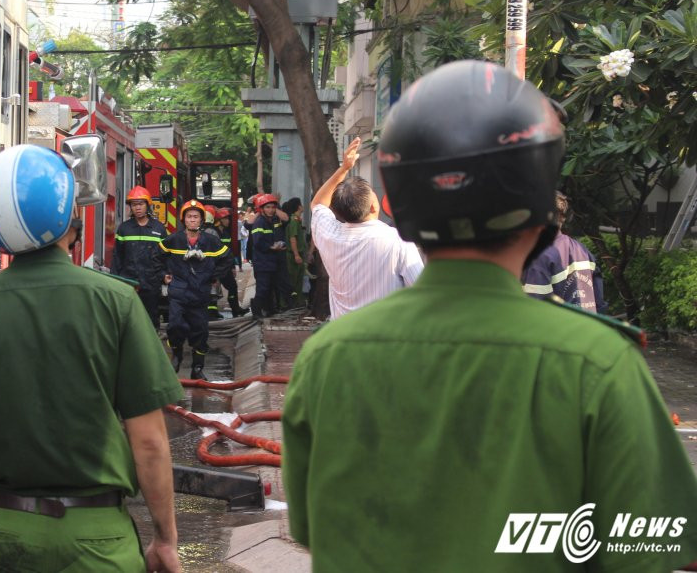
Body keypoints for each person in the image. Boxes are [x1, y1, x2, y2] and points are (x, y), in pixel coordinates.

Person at [282, 60, 697, 572]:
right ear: (543, 207)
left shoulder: (327, 359)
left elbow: (308, 525)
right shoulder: (598, 363)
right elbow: (650, 547)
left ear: (398, 204)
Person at [0, 145, 183, 573]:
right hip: (99, 538)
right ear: (67, 220)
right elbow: (149, 439)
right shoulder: (116, 302)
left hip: (1, 533)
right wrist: (165, 539)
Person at [309, 137, 424, 319]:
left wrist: (343, 168)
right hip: (385, 339)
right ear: (373, 206)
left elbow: (318, 204)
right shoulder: (398, 240)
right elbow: (420, 291)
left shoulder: (330, 234)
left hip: (341, 337)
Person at [157, 199, 232, 380]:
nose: (192, 220)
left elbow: (227, 259)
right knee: (175, 326)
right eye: (189, 217)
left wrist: (213, 275)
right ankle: (177, 355)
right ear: (184, 220)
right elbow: (156, 258)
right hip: (179, 292)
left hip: (200, 293)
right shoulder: (173, 240)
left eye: (196, 217)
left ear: (201, 220)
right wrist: (163, 274)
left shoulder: (211, 242)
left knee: (200, 331)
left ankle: (197, 368)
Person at [523, 191, 606, 313]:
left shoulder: (539, 256)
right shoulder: (581, 249)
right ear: (563, 217)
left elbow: (533, 309)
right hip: (589, 327)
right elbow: (599, 302)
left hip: (557, 330)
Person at [111, 185, 168, 328]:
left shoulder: (159, 228)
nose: (137, 208)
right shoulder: (124, 229)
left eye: (141, 204)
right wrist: (115, 279)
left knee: (151, 318)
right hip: (128, 282)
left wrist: (165, 275)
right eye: (134, 204)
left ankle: (151, 346)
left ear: (148, 205)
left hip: (151, 282)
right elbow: (117, 256)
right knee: (128, 318)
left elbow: (165, 256)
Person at [249, 194, 292, 319]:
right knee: (262, 288)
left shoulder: (270, 221)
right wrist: (271, 247)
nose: (271, 210)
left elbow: (285, 219)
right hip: (263, 262)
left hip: (271, 262)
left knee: (270, 288)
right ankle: (256, 312)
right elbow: (257, 242)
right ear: (261, 209)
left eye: (273, 207)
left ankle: (269, 310)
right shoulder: (259, 222)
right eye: (268, 207)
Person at [208, 207, 249, 318]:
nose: (228, 221)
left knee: (232, 286)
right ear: (219, 220)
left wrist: (232, 267)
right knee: (213, 289)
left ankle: (236, 309)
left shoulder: (226, 233)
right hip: (215, 266)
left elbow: (228, 252)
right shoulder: (212, 232)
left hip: (225, 266)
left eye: (228, 219)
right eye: (225, 219)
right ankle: (212, 312)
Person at [281, 198, 307, 307]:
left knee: (298, 281)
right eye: (301, 204)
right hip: (293, 255)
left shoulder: (297, 220)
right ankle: (285, 304)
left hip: (298, 254)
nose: (302, 206)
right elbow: (293, 239)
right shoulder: (293, 221)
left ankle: (298, 302)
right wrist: (296, 255)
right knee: (292, 280)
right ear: (298, 207)